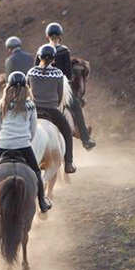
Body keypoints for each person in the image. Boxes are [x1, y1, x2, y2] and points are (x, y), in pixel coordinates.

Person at [0, 71, 52, 213]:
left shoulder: (1, 104)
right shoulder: (30, 105)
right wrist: (26, 140)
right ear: (26, 88)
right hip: (24, 146)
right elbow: (33, 128)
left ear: (8, 88)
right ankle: (42, 201)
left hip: (2, 145)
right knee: (36, 172)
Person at [40, 22, 96, 150]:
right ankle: (86, 139)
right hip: (61, 89)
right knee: (76, 108)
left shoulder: (41, 50)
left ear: (47, 36)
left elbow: (36, 69)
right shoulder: (64, 51)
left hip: (42, 90)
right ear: (60, 36)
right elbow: (68, 74)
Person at [28, 44, 76, 174]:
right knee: (67, 132)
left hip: (33, 111)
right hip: (51, 110)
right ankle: (69, 163)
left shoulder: (31, 72)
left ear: (39, 57)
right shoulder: (58, 73)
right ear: (54, 59)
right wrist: (54, 105)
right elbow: (60, 96)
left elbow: (28, 91)